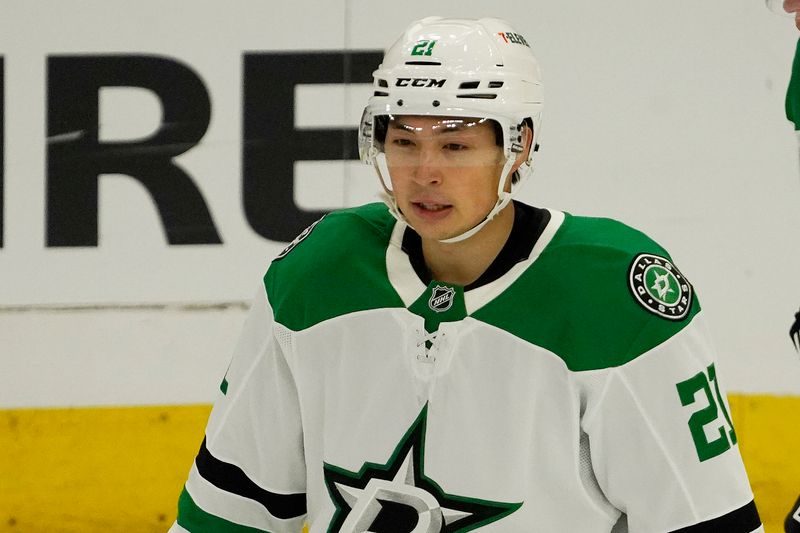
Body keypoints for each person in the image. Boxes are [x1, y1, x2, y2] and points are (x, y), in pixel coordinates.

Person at [168, 16, 763, 532]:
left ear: (520, 145)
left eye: (456, 147)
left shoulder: (614, 294)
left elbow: (702, 520)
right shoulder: (317, 274)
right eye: (404, 142)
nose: (424, 172)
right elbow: (228, 515)